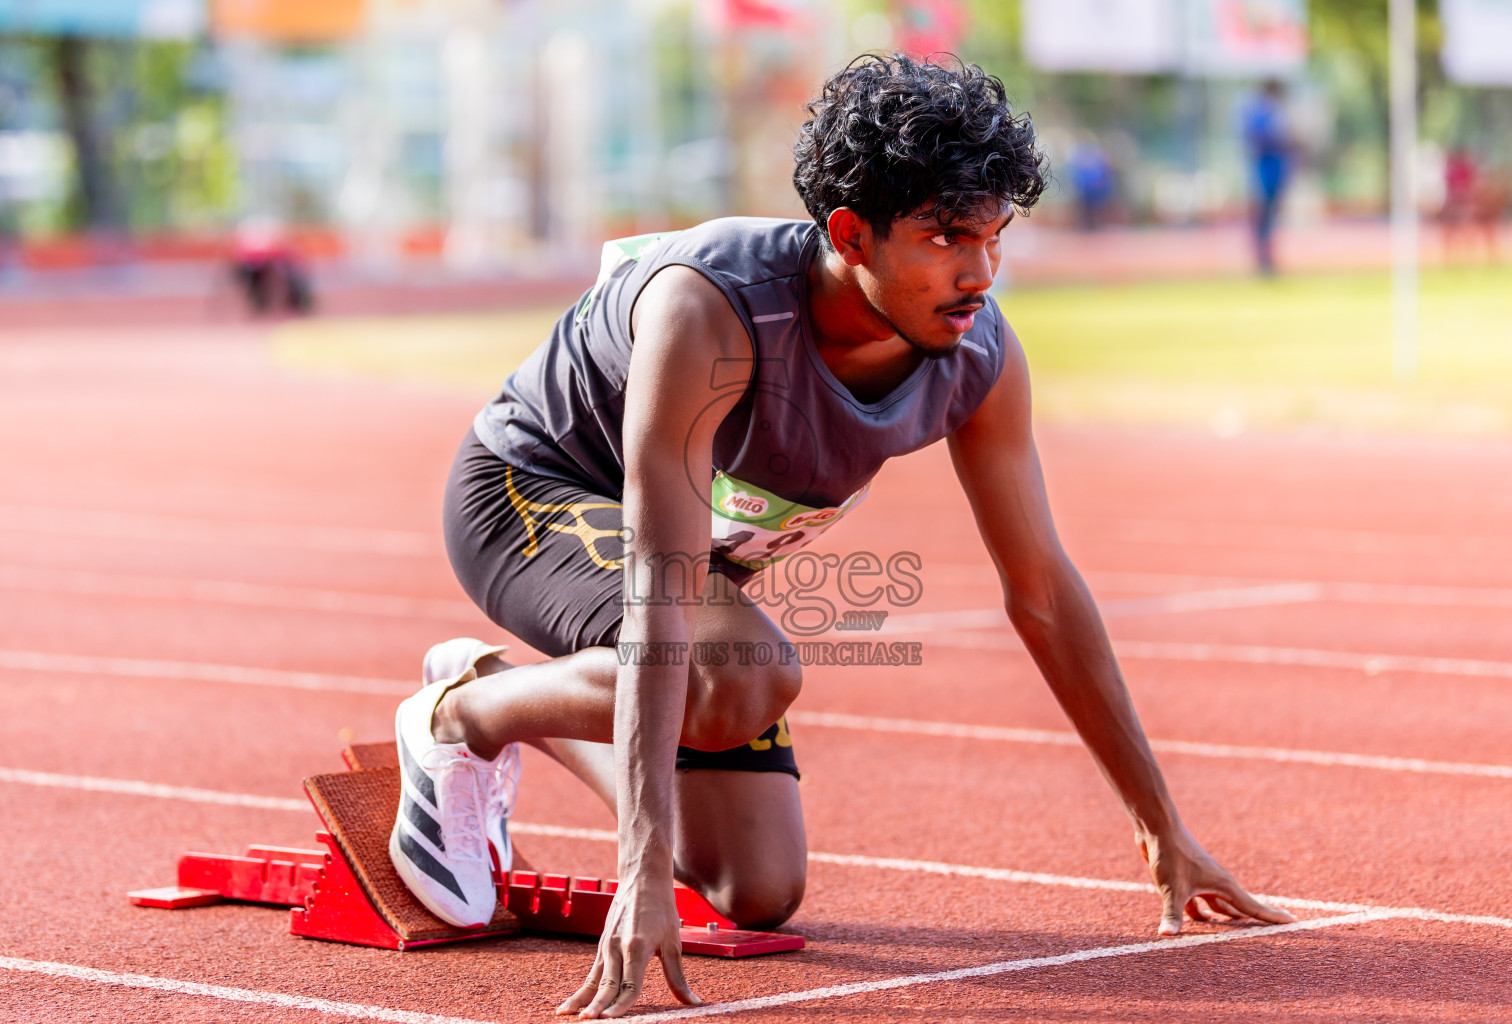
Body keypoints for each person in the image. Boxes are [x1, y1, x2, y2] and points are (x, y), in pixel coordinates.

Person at [389, 54, 1295, 1020]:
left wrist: (1161, 827)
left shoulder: (978, 354)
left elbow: (1041, 587)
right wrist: (637, 871)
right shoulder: (713, 311)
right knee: (736, 670)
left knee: (757, 888)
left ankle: (496, 688)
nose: (979, 274)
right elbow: (663, 576)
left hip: (691, 578)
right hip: (531, 495)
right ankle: (454, 723)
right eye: (946, 238)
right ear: (849, 234)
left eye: (994, 237)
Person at [1241, 80, 1292, 275]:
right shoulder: (1262, 114)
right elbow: (1259, 141)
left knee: (1269, 219)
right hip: (1264, 174)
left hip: (1273, 173)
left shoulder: (1272, 114)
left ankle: (1267, 259)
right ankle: (1263, 260)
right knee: (1263, 219)